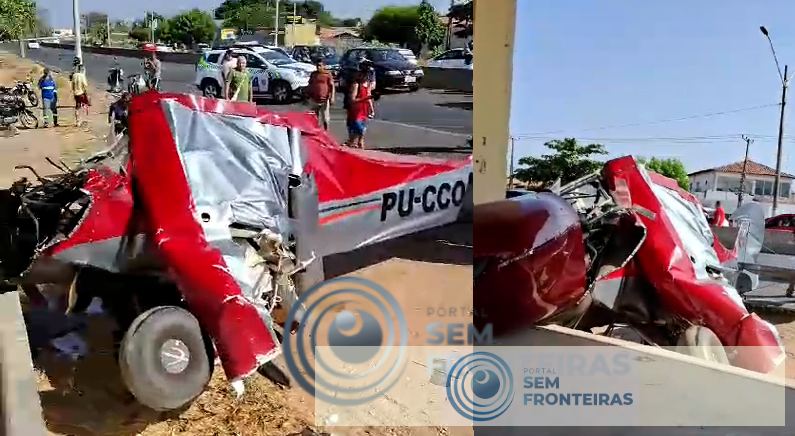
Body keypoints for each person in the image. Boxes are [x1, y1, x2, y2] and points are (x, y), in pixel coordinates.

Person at [344, 68, 375, 149]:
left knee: (362, 127)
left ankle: (359, 141)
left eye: (367, 74)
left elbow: (369, 97)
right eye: (364, 74)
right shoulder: (356, 84)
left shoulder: (367, 84)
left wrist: (371, 109)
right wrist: (364, 99)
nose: (366, 76)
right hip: (356, 109)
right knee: (359, 127)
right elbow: (352, 99)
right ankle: (352, 141)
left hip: (364, 108)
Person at [307, 58, 335, 131]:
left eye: (320, 65)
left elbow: (332, 86)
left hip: (324, 99)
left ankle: (326, 131)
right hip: (314, 98)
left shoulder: (327, 74)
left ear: (324, 66)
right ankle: (315, 129)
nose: (318, 67)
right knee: (314, 116)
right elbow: (310, 84)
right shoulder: (314, 74)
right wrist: (308, 95)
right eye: (317, 65)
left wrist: (332, 97)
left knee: (325, 117)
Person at [71, 61, 90, 127]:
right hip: (81, 93)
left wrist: (74, 91)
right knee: (85, 106)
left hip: (76, 93)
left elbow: (72, 85)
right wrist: (87, 95)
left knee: (77, 107)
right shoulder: (82, 76)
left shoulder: (74, 75)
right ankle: (83, 120)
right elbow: (85, 86)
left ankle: (77, 121)